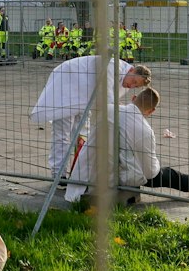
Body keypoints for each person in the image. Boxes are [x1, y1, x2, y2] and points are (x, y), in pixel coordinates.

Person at [31, 56, 153, 199]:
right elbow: (107, 100)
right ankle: (59, 173)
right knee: (62, 133)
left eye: (136, 86)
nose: (131, 86)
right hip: (66, 86)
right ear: (131, 70)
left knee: (82, 134)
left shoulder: (123, 76)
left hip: (83, 94)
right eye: (133, 82)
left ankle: (78, 172)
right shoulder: (112, 67)